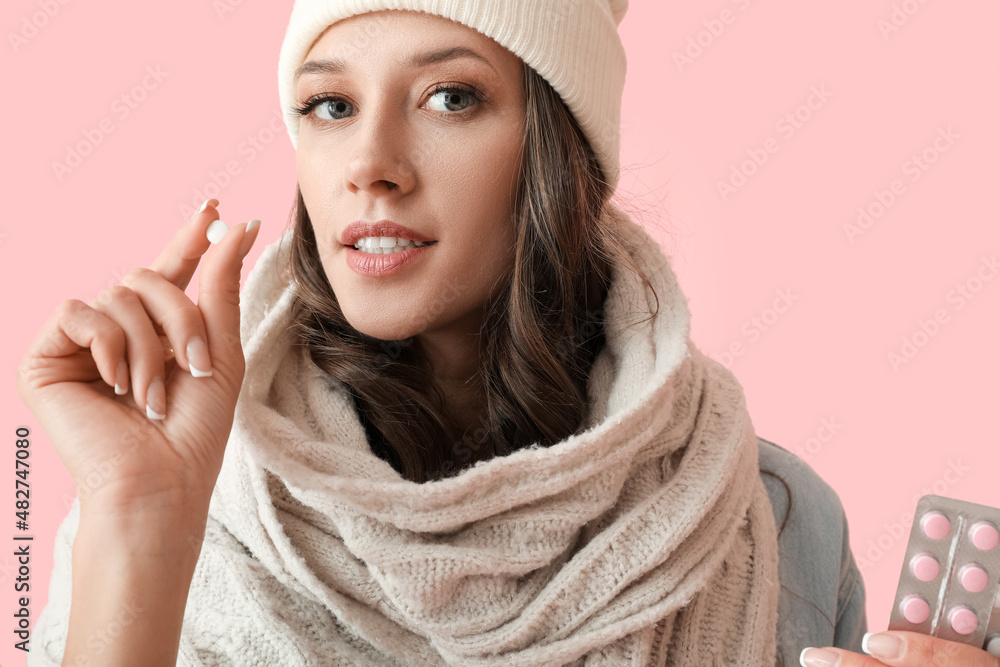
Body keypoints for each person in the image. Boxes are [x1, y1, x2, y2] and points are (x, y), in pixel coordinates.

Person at [16, 2, 1000, 666]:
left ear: (562, 146)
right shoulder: (171, 488)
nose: (370, 163)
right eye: (328, 104)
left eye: (450, 97)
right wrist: (140, 523)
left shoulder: (774, 519)